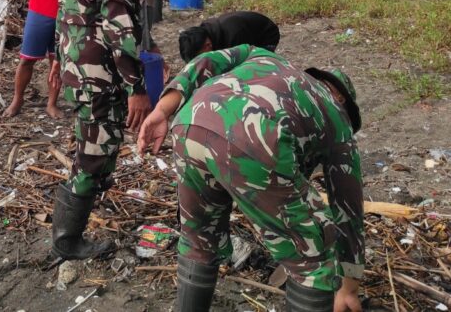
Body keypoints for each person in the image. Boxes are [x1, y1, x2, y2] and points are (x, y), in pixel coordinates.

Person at [137, 45, 364, 312]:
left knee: (199, 237)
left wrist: (163, 109)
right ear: (340, 96)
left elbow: (208, 61)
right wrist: (348, 286)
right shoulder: (337, 118)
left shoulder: (265, 57)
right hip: (254, 139)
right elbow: (348, 206)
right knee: (313, 260)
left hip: (191, 121)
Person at [48, 0, 153, 261]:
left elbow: (65, 12)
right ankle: (67, 241)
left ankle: (71, 225)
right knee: (93, 153)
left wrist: (60, 60)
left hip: (78, 67)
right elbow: (120, 31)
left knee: (92, 146)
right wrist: (137, 88)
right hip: (99, 75)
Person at [178, 10, 280, 64]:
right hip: (246, 29)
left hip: (267, 35)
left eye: (199, 57)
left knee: (252, 67)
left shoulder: (235, 37)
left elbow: (243, 58)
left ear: (208, 45)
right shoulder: (205, 32)